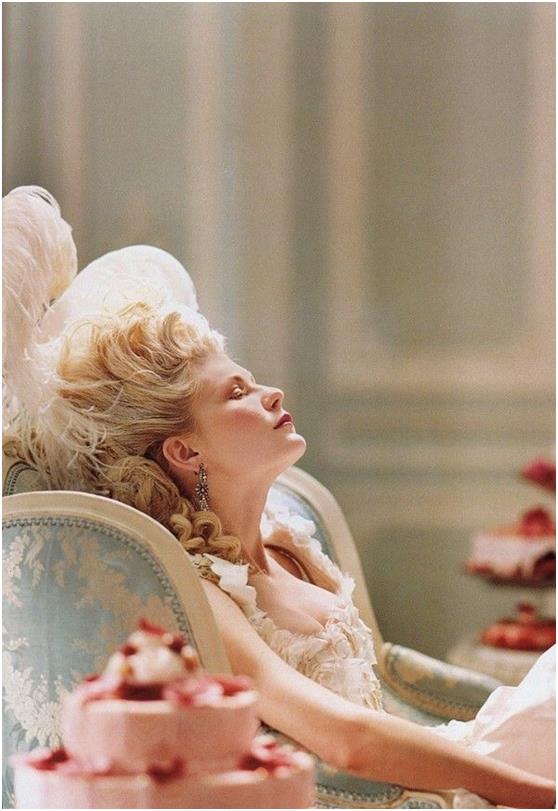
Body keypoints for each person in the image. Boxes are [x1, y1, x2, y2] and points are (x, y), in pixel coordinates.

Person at [3, 186, 555, 809]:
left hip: (440, 771)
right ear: (184, 451)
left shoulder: (292, 541)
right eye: (237, 393)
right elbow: (346, 741)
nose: (272, 393)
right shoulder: (199, 593)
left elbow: (383, 703)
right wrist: (535, 793)